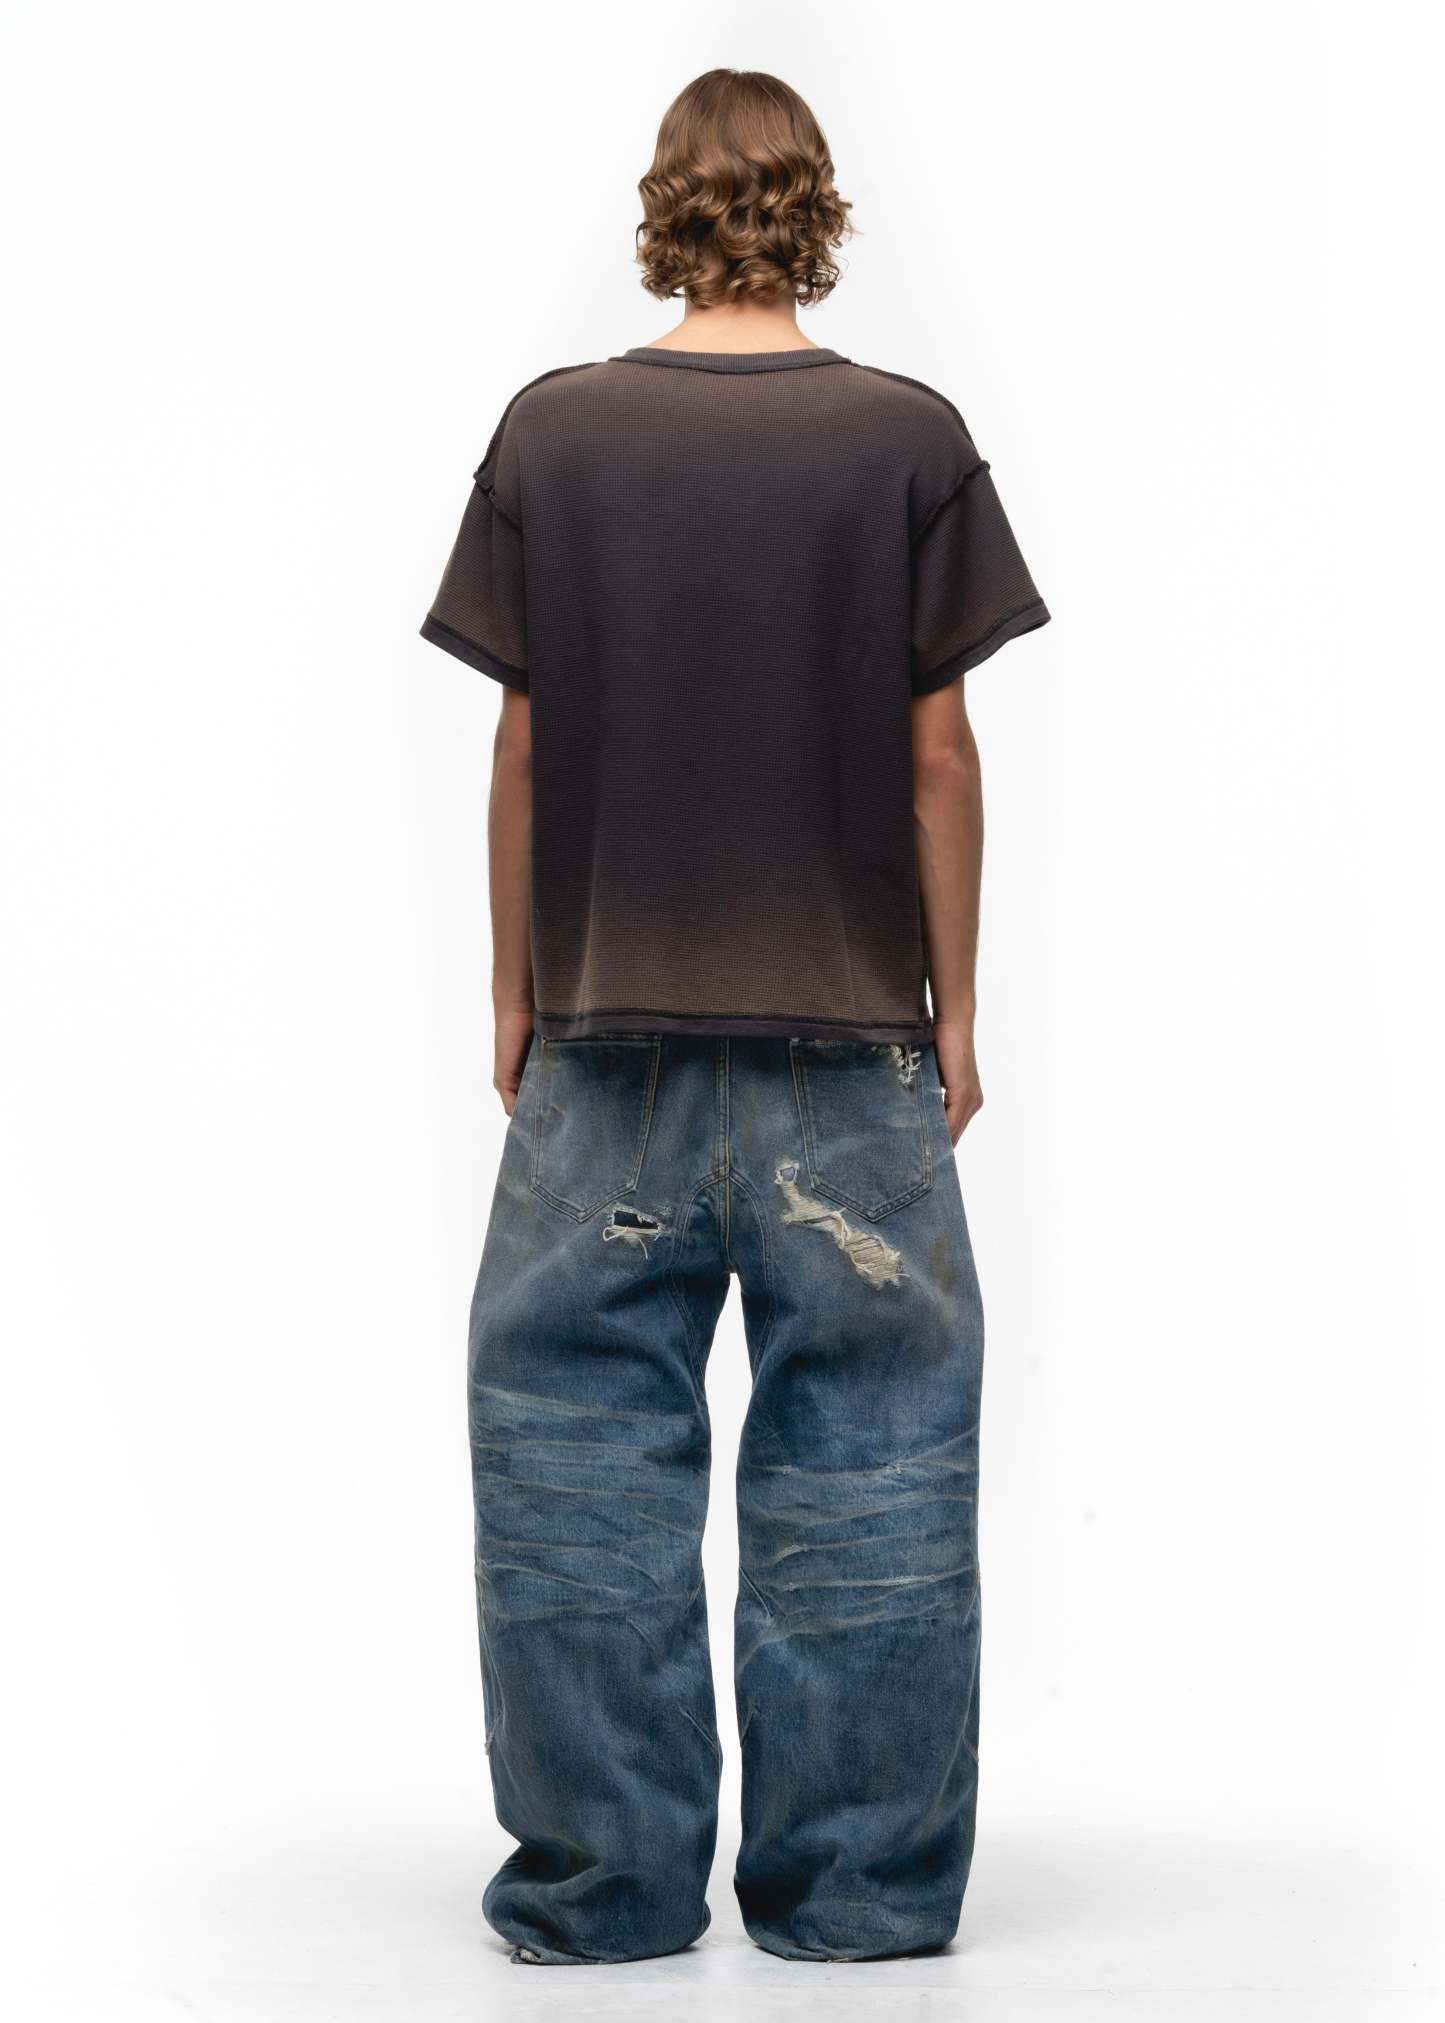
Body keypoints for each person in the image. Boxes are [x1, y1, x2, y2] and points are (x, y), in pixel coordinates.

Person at [420, 67, 1050, 1967]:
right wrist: (951, 1010)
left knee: (571, 1459)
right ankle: (856, 1896)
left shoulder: (554, 434)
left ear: (665, 210)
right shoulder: (905, 439)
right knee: (872, 1464)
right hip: (848, 1045)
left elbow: (520, 744)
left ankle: (602, 1891)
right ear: (816, 209)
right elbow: (939, 755)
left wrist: (516, 990)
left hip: (603, 1040)